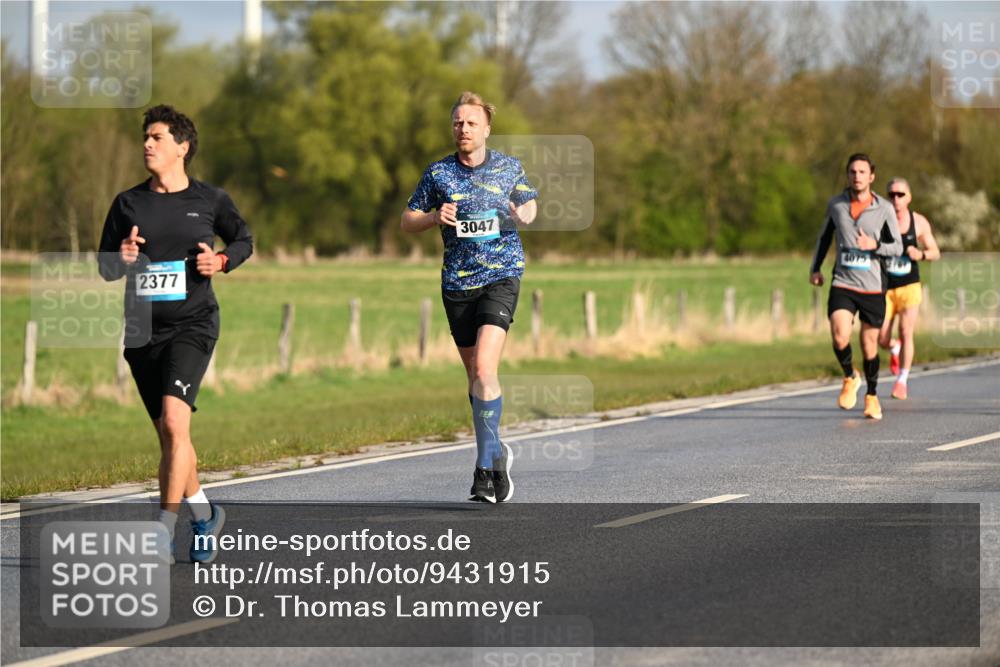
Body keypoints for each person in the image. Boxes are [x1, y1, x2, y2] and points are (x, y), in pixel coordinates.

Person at [99, 105, 253, 562]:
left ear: (182, 147)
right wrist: (120, 257)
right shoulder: (128, 203)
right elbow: (105, 266)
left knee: (173, 422)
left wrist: (221, 261)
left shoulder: (210, 200)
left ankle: (163, 530)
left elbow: (243, 240)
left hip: (193, 326)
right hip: (142, 333)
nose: (147, 144)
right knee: (172, 439)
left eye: (157, 137)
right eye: (145, 137)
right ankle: (205, 515)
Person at [401, 91, 538, 503]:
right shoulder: (438, 174)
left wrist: (521, 214)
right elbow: (407, 221)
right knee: (475, 377)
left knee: (483, 366)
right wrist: (431, 217)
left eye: (471, 123)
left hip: (501, 275)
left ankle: (483, 467)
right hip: (457, 285)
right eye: (458, 123)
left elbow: (529, 203)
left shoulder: (508, 167)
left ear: (486, 129)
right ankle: (496, 453)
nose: (464, 129)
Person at [810, 153, 902, 420]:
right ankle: (850, 376)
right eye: (853, 172)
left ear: (871, 177)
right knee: (839, 335)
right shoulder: (836, 205)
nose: (857, 176)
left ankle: (872, 396)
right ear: (847, 175)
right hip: (843, 282)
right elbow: (824, 237)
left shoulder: (884, 208)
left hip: (873, 286)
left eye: (862, 172)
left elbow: (897, 246)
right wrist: (815, 269)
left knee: (869, 344)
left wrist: (874, 246)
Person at [877, 178, 940, 400]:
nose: (896, 199)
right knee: (881, 338)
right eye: (892, 194)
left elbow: (935, 252)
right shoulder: (879, 221)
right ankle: (895, 349)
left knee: (906, 330)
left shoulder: (919, 222)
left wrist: (920, 254)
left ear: (909, 197)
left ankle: (902, 380)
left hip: (909, 285)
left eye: (900, 195)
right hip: (885, 288)